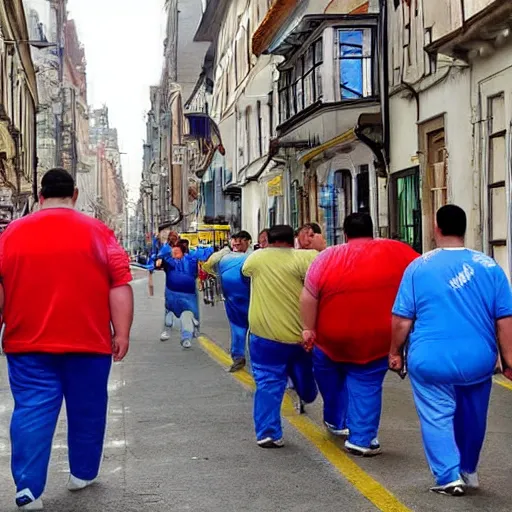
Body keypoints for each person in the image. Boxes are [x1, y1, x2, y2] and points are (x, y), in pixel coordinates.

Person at [0, 169, 134, 511]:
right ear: (75, 194)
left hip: (27, 343)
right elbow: (119, 284)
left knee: (31, 410)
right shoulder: (99, 232)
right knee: (88, 409)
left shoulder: (11, 233)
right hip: (88, 342)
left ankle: (28, 489)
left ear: (39, 196)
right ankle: (82, 473)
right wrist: (122, 332)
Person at [390, 205, 512, 496]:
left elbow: (402, 319)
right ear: (464, 228)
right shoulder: (490, 266)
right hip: (478, 360)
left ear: (437, 228)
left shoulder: (418, 267)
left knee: (436, 415)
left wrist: (394, 351)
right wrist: (509, 359)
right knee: (473, 414)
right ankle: (468, 470)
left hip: (430, 359)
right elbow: (505, 320)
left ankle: (448, 476)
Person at [300, 213, 418, 456]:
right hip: (376, 338)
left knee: (329, 380)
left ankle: (335, 419)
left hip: (330, 339)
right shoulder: (398, 251)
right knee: (366, 384)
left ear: (345, 233)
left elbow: (310, 295)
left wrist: (309, 329)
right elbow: (423, 277)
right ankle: (361, 439)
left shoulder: (327, 257)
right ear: (372, 231)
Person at [242, 225, 318, 448]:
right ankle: (306, 393)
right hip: (299, 335)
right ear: (292, 239)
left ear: (269, 240)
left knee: (267, 382)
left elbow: (244, 273)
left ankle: (267, 433)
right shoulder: (306, 258)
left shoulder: (256, 259)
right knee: (305, 375)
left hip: (263, 335)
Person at [203, 231, 252, 372]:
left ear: (248, 242)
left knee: (256, 331)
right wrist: (224, 250)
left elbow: (209, 266)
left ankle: (256, 361)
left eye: (241, 240)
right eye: (234, 240)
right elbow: (208, 265)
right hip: (233, 301)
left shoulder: (253, 257)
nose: (237, 243)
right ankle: (238, 357)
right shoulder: (224, 257)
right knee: (237, 328)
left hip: (253, 299)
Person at [157, 239, 213, 347]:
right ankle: (167, 330)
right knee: (169, 314)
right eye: (172, 252)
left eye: (176, 252)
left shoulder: (190, 259)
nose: (174, 254)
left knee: (188, 315)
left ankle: (186, 337)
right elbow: (159, 259)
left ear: (183, 252)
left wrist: (196, 250)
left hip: (188, 295)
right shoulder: (170, 262)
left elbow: (207, 252)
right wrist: (166, 246)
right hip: (172, 294)